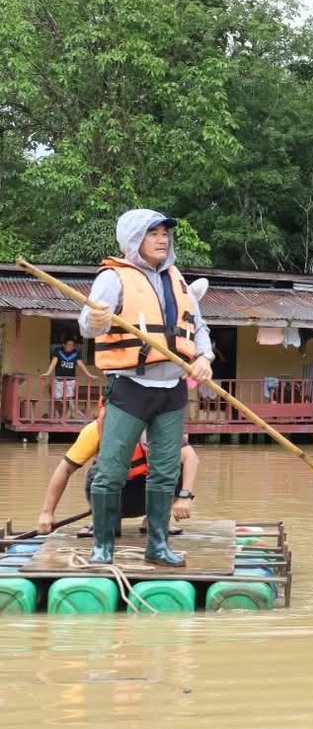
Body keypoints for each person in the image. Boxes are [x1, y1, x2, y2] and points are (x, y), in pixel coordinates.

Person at [80, 209, 214, 566]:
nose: (161, 239)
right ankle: (102, 545)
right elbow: (88, 324)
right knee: (111, 470)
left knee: (167, 471)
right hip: (131, 388)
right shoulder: (114, 277)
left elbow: (198, 327)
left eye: (164, 233)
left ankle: (157, 544)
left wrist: (205, 358)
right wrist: (94, 320)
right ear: (133, 240)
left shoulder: (177, 278)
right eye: (152, 233)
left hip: (172, 390)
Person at [35, 415, 199, 535]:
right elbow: (65, 469)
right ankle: (105, 519)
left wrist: (184, 496)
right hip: (109, 492)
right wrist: (47, 513)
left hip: (148, 492)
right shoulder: (96, 430)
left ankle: (155, 519)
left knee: (173, 466)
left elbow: (190, 458)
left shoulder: (158, 427)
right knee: (111, 532)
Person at [40, 335, 96, 420]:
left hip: (70, 380)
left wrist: (89, 374)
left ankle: (63, 417)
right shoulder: (58, 351)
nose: (71, 347)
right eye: (69, 344)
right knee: (57, 399)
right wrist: (48, 373)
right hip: (59, 379)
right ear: (64, 345)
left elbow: (81, 364)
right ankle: (57, 416)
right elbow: (54, 362)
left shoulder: (75, 353)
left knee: (67, 399)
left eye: (73, 345)